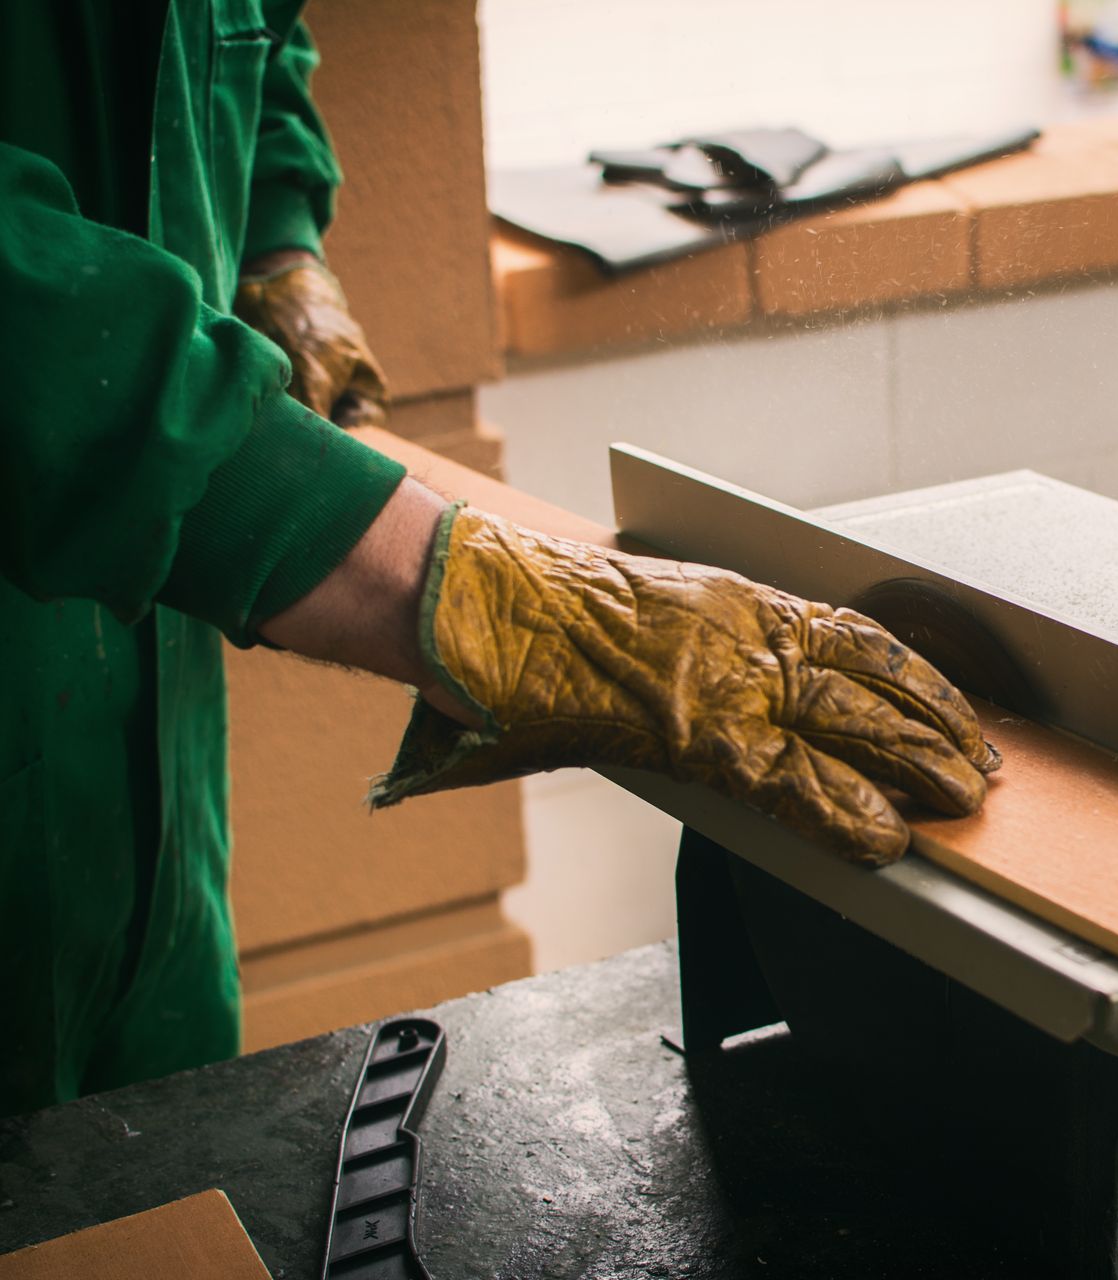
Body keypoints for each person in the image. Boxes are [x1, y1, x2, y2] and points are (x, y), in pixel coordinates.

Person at [0, 2, 995, 1118]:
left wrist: (277, 242)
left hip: (156, 804)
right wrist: (489, 600)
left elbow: (253, 41)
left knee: (156, 1165)